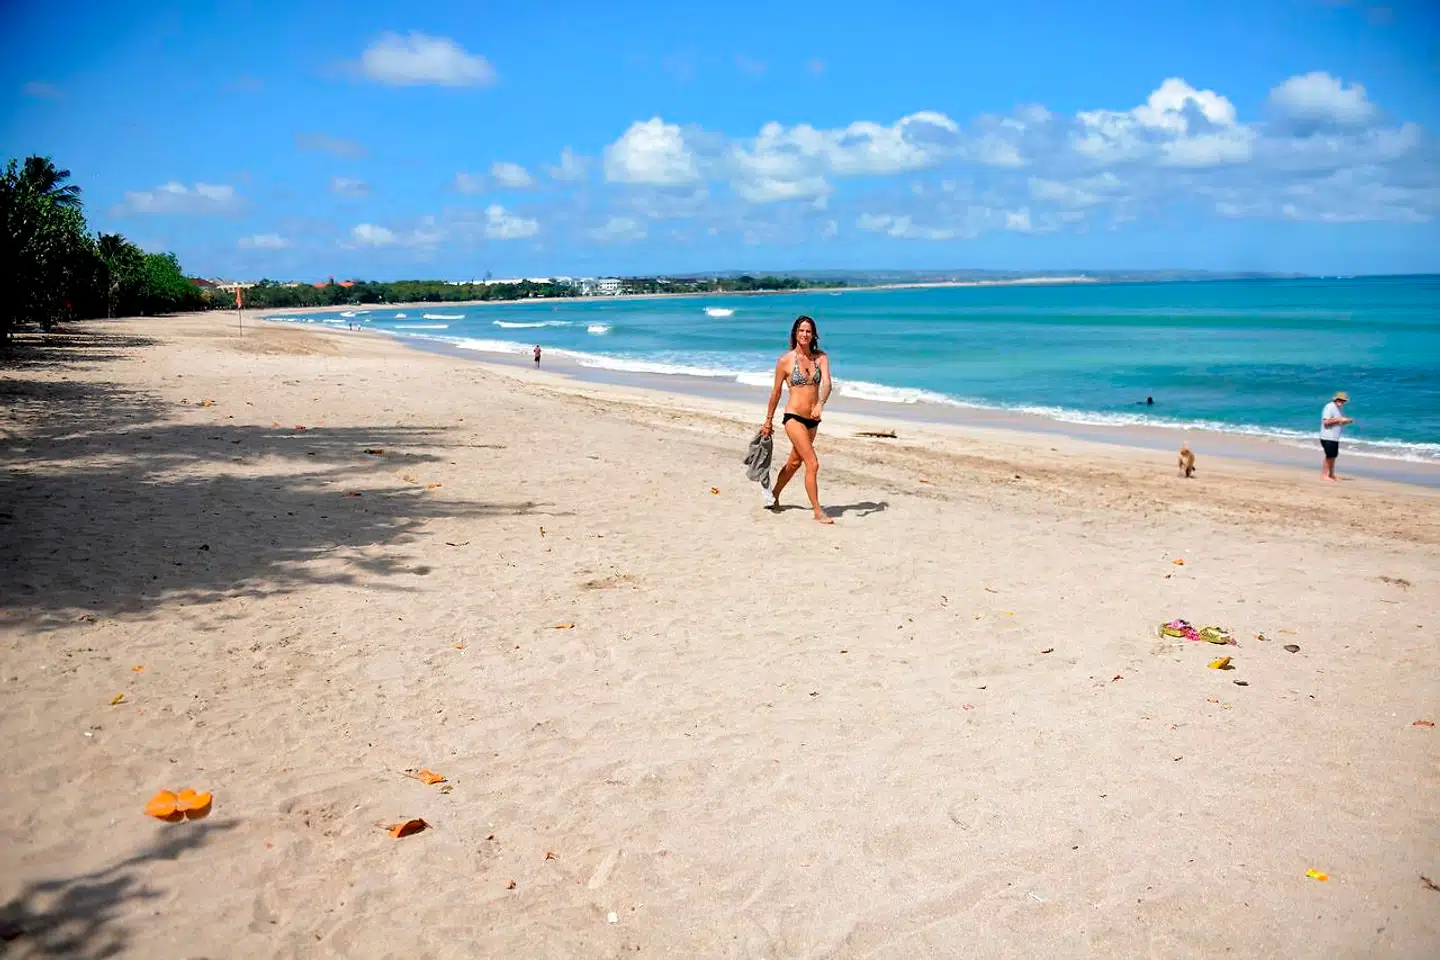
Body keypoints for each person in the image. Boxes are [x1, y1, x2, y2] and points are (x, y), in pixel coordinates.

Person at [761, 315, 834, 523]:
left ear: (813, 335)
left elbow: (827, 383)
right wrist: (768, 422)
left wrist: (821, 403)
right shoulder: (785, 361)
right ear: (795, 333)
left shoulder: (821, 358)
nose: (804, 334)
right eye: (801, 330)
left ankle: (773, 495)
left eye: (808, 331)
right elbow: (775, 393)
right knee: (812, 463)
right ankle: (818, 511)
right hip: (793, 417)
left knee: (794, 462)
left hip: (813, 419)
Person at [1319, 390, 1353, 481]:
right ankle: (1324, 475)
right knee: (1329, 456)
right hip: (1327, 436)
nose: (1341, 402)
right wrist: (1339, 419)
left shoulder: (1339, 409)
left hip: (1334, 437)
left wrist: (1345, 421)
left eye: (1343, 401)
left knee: (1333, 456)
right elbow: (1326, 422)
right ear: (1336, 399)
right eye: (1340, 400)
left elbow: (1338, 422)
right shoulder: (1329, 407)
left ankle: (1331, 474)